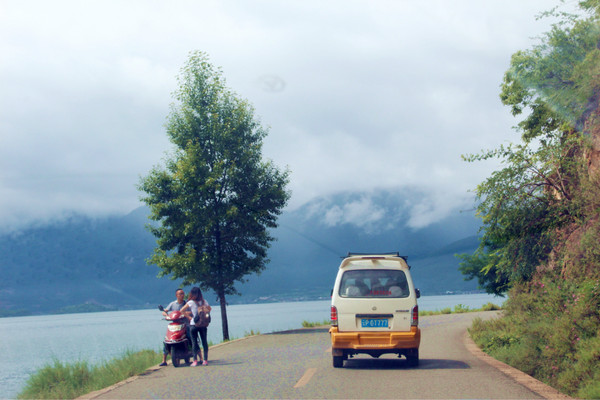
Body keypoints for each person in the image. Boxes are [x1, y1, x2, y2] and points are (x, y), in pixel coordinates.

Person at [180, 287, 212, 366]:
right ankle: (205, 360)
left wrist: (189, 317)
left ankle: (195, 361)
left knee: (194, 343)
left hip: (194, 324)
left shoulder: (190, 302)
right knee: (204, 342)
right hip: (203, 325)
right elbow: (210, 309)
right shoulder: (204, 301)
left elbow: (181, 310)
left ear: (191, 293)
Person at [159, 288, 187, 366]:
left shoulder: (186, 303)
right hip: (174, 324)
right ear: (176, 295)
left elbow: (190, 311)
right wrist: (166, 315)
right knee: (167, 339)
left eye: (182, 294)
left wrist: (186, 314)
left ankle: (195, 354)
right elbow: (165, 311)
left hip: (184, 323)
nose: (182, 295)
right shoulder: (172, 304)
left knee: (189, 336)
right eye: (180, 294)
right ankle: (164, 360)